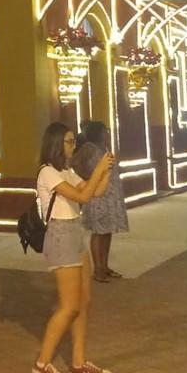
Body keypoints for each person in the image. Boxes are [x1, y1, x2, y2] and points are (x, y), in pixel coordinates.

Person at [31, 122, 115, 373]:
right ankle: (42, 363)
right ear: (56, 143)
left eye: (73, 141)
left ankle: (78, 363)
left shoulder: (66, 171)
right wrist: (99, 169)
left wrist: (106, 170)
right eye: (69, 141)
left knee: (84, 302)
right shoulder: (47, 172)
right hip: (60, 236)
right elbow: (82, 197)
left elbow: (95, 191)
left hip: (75, 233)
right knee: (69, 307)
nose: (73, 145)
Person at [71, 121, 128, 283]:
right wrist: (88, 177)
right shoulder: (89, 148)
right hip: (97, 197)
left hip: (110, 195)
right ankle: (98, 269)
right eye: (105, 131)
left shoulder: (104, 147)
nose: (107, 133)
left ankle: (104, 265)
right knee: (98, 232)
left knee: (107, 231)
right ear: (98, 132)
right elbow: (74, 163)